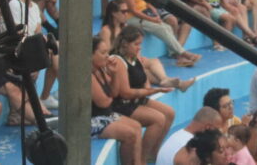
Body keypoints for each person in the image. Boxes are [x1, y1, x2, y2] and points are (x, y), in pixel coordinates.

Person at [111, 26, 175, 163]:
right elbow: (125, 93)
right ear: (125, 44)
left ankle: (153, 153)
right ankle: (141, 159)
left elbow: (145, 82)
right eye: (136, 44)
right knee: (158, 119)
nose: (139, 47)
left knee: (169, 113)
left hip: (137, 99)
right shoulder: (118, 60)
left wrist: (148, 89)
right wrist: (153, 91)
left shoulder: (135, 58)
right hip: (122, 104)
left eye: (140, 44)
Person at [10, 0, 59, 110]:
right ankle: (48, 96)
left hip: (33, 45)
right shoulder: (15, 4)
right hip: (21, 47)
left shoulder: (35, 7)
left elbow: (38, 31)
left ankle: (44, 97)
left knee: (56, 48)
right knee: (55, 53)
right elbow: (18, 32)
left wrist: (42, 47)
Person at [91, 36, 143, 165]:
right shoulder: (87, 75)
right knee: (129, 134)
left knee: (137, 126)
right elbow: (103, 102)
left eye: (107, 52)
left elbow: (114, 93)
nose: (107, 56)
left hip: (104, 114)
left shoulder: (101, 69)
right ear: (90, 54)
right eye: (103, 53)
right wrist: (110, 97)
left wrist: (114, 74)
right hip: (90, 120)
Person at [123, 0, 199, 66]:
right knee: (161, 28)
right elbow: (134, 11)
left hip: (145, 14)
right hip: (132, 18)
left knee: (167, 27)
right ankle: (183, 53)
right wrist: (152, 19)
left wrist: (155, 13)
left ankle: (174, 53)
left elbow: (147, 4)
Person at [157, 107, 222, 165]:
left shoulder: (177, 135)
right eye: (217, 130)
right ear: (208, 127)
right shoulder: (193, 147)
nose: (217, 134)